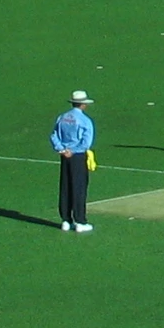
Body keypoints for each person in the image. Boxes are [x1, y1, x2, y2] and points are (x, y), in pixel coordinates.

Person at [51, 89, 94, 233]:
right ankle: (80, 221)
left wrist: (62, 149)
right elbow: (86, 142)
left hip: (64, 156)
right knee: (79, 187)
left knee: (65, 186)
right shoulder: (85, 120)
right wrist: (73, 151)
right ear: (83, 104)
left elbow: (54, 135)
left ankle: (65, 220)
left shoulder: (62, 117)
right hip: (77, 156)